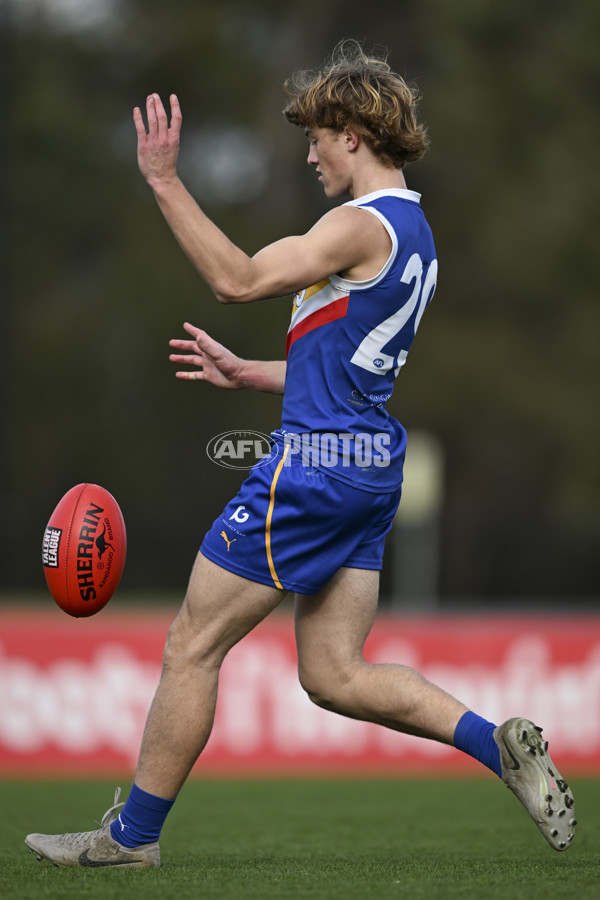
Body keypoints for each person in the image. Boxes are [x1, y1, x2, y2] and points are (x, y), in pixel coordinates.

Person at [25, 40, 575, 868]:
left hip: (310, 470)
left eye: (317, 135)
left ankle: (130, 838)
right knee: (333, 675)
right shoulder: (417, 234)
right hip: (368, 468)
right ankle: (495, 744)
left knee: (190, 645)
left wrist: (166, 181)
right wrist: (256, 374)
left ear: (353, 132)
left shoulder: (356, 223)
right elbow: (353, 367)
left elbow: (238, 281)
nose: (309, 152)